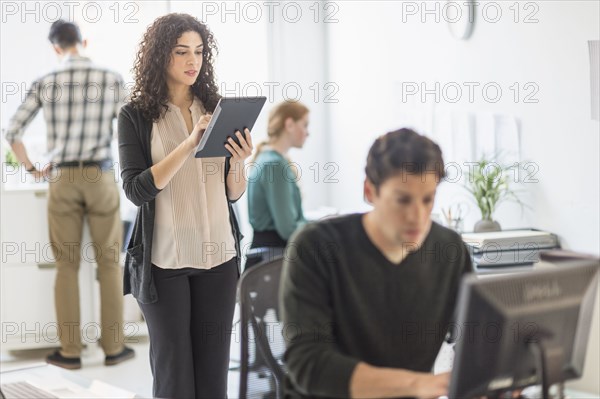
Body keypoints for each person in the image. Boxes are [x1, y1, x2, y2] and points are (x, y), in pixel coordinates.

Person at [280, 128, 474, 398]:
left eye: (427, 199)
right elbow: (309, 364)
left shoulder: (450, 251)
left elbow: (475, 337)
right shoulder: (316, 247)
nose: (417, 217)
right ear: (370, 191)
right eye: (402, 200)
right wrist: (418, 385)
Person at [117, 13, 252, 398]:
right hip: (165, 265)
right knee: (175, 380)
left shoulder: (217, 107)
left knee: (213, 381)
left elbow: (232, 193)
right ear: (161, 56)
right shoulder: (136, 116)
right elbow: (136, 189)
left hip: (220, 260)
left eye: (199, 51)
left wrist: (239, 162)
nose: (193, 61)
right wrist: (189, 143)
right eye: (181, 52)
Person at [4, 19, 132, 370]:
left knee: (67, 266)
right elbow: (132, 126)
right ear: (83, 41)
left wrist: (32, 169)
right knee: (108, 265)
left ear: (56, 47)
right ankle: (114, 348)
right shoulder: (111, 78)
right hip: (101, 174)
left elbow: (12, 130)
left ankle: (71, 352)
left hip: (62, 177)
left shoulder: (46, 81)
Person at [247, 101, 309, 254]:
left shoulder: (270, 159)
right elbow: (288, 229)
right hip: (272, 262)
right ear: (289, 124)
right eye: (305, 125)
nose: (308, 132)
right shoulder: (274, 165)